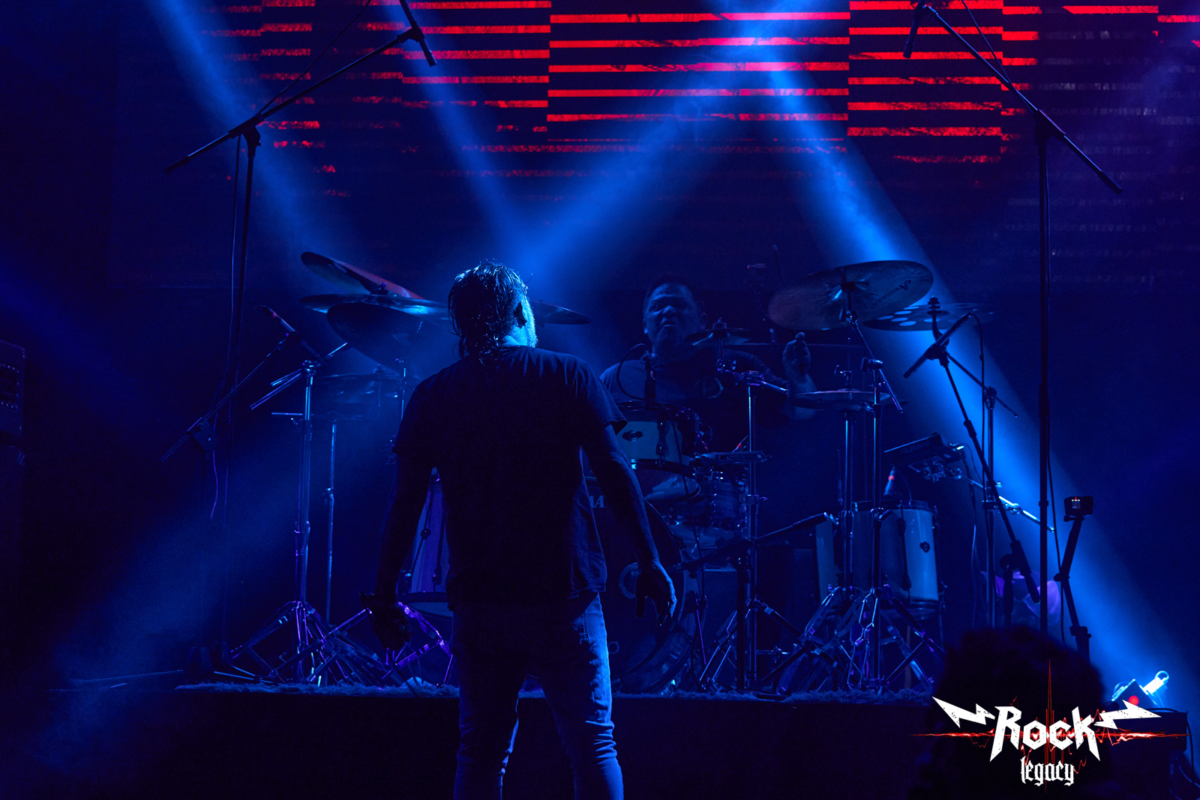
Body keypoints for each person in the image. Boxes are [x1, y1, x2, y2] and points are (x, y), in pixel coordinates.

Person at [365, 261, 676, 800]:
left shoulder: (433, 394)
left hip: (481, 597)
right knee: (593, 745)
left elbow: (405, 503)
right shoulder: (568, 373)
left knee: (481, 751)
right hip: (565, 592)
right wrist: (650, 560)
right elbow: (615, 472)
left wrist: (386, 593)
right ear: (519, 312)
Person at [599, 276, 816, 452]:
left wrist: (798, 377)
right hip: (636, 490)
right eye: (658, 306)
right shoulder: (616, 377)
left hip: (718, 490)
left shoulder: (735, 365)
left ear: (702, 320)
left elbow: (801, 411)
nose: (668, 311)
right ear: (645, 324)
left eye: (679, 304)